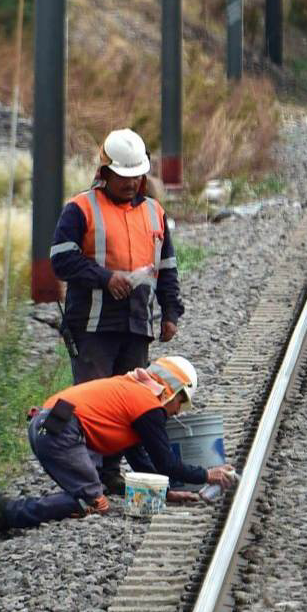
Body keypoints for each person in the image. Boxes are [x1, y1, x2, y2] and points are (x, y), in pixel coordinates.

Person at [0, 355, 236, 550]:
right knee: (93, 502)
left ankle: (9, 511)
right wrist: (207, 474)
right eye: (181, 402)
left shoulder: (133, 391)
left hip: (47, 425)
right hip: (59, 430)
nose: (178, 411)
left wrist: (165, 493)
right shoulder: (148, 405)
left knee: (89, 496)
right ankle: (8, 512)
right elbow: (166, 463)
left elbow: (138, 458)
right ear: (173, 390)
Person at [49, 126, 183, 494]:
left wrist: (171, 310)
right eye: (123, 176)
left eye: (136, 175)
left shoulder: (154, 212)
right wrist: (105, 278)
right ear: (104, 172)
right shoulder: (80, 209)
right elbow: (61, 259)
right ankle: (84, 481)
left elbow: (167, 266)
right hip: (91, 326)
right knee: (93, 403)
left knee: (130, 405)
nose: (130, 183)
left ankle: (109, 475)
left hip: (137, 325)